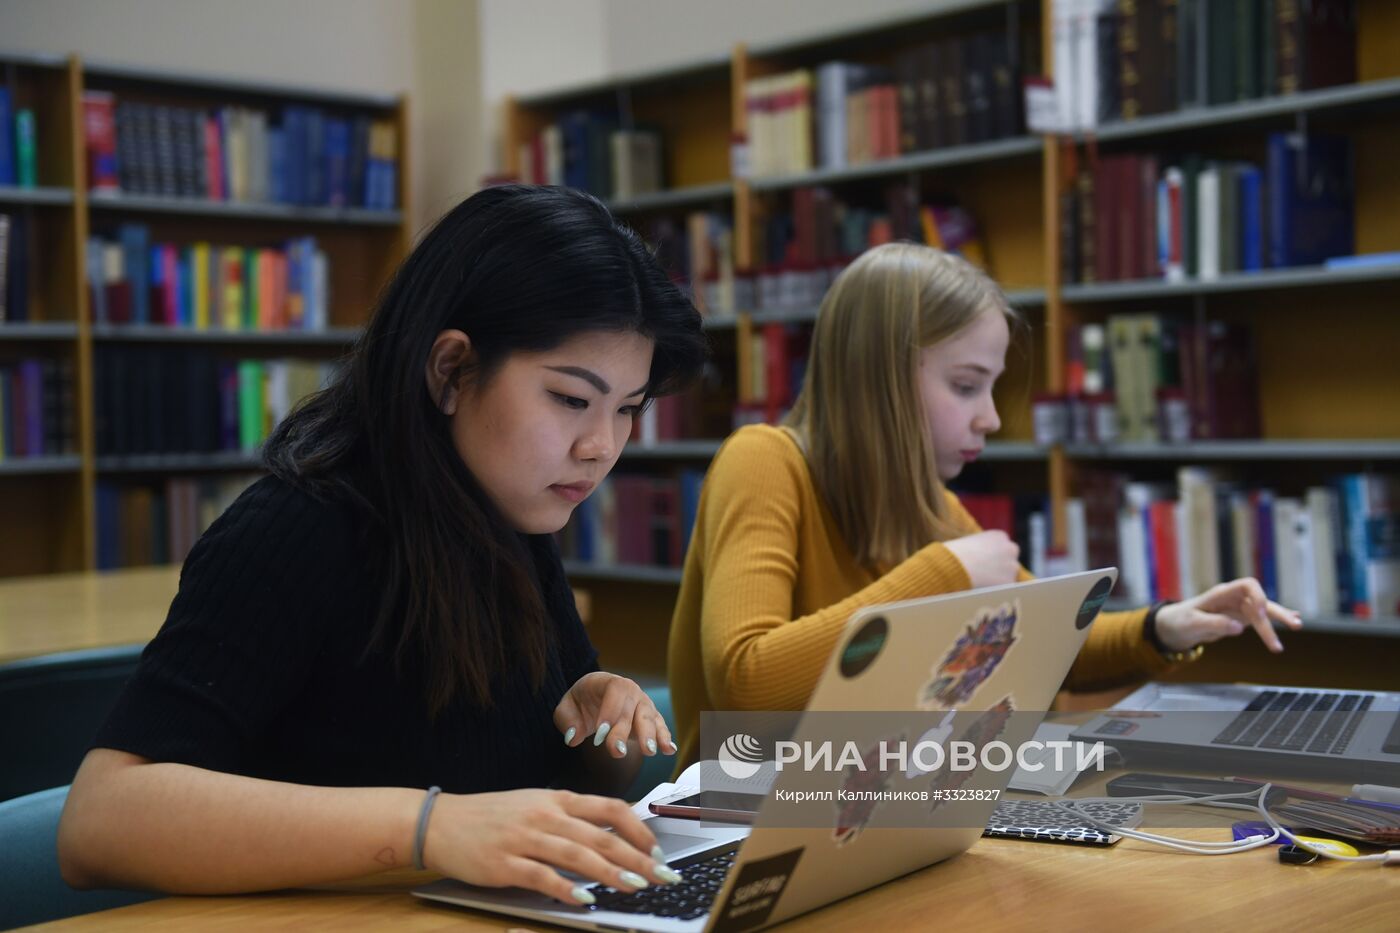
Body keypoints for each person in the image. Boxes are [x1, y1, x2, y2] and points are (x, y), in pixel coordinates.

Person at [58, 185, 707, 906]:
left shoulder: (507, 511)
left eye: (628, 409)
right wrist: (427, 824)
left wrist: (595, 717)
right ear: (451, 370)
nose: (600, 447)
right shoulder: (298, 526)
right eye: (571, 399)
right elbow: (100, 821)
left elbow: (533, 787)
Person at [668, 242, 1302, 768]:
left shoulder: (931, 509)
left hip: (862, 815)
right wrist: (944, 575)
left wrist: (1166, 626)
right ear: (880, 378)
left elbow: (1057, 643)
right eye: (966, 386)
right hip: (732, 821)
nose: (992, 418)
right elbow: (747, 685)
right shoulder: (764, 460)